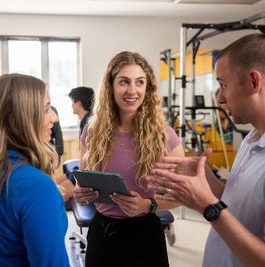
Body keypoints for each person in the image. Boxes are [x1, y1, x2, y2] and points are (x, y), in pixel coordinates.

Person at [147, 34, 265, 267]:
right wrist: (208, 181)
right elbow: (237, 206)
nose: (220, 98)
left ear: (254, 82)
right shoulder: (255, 136)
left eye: (223, 85)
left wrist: (208, 207)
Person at [73, 51, 185, 267]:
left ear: (147, 88)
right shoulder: (92, 131)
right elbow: (82, 182)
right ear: (111, 86)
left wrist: (147, 205)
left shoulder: (165, 135)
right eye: (124, 82)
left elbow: (181, 196)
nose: (132, 90)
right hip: (102, 233)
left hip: (145, 234)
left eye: (140, 82)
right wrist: (81, 193)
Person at [0, 74, 70, 266]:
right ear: (17, 120)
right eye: (46, 109)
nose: (54, 118)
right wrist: (46, 196)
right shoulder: (35, 187)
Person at [54, 86, 95, 201]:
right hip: (82, 167)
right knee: (52, 183)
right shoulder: (85, 120)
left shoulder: (89, 123)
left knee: (54, 196)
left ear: (79, 103)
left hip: (89, 171)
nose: (71, 105)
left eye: (72, 102)